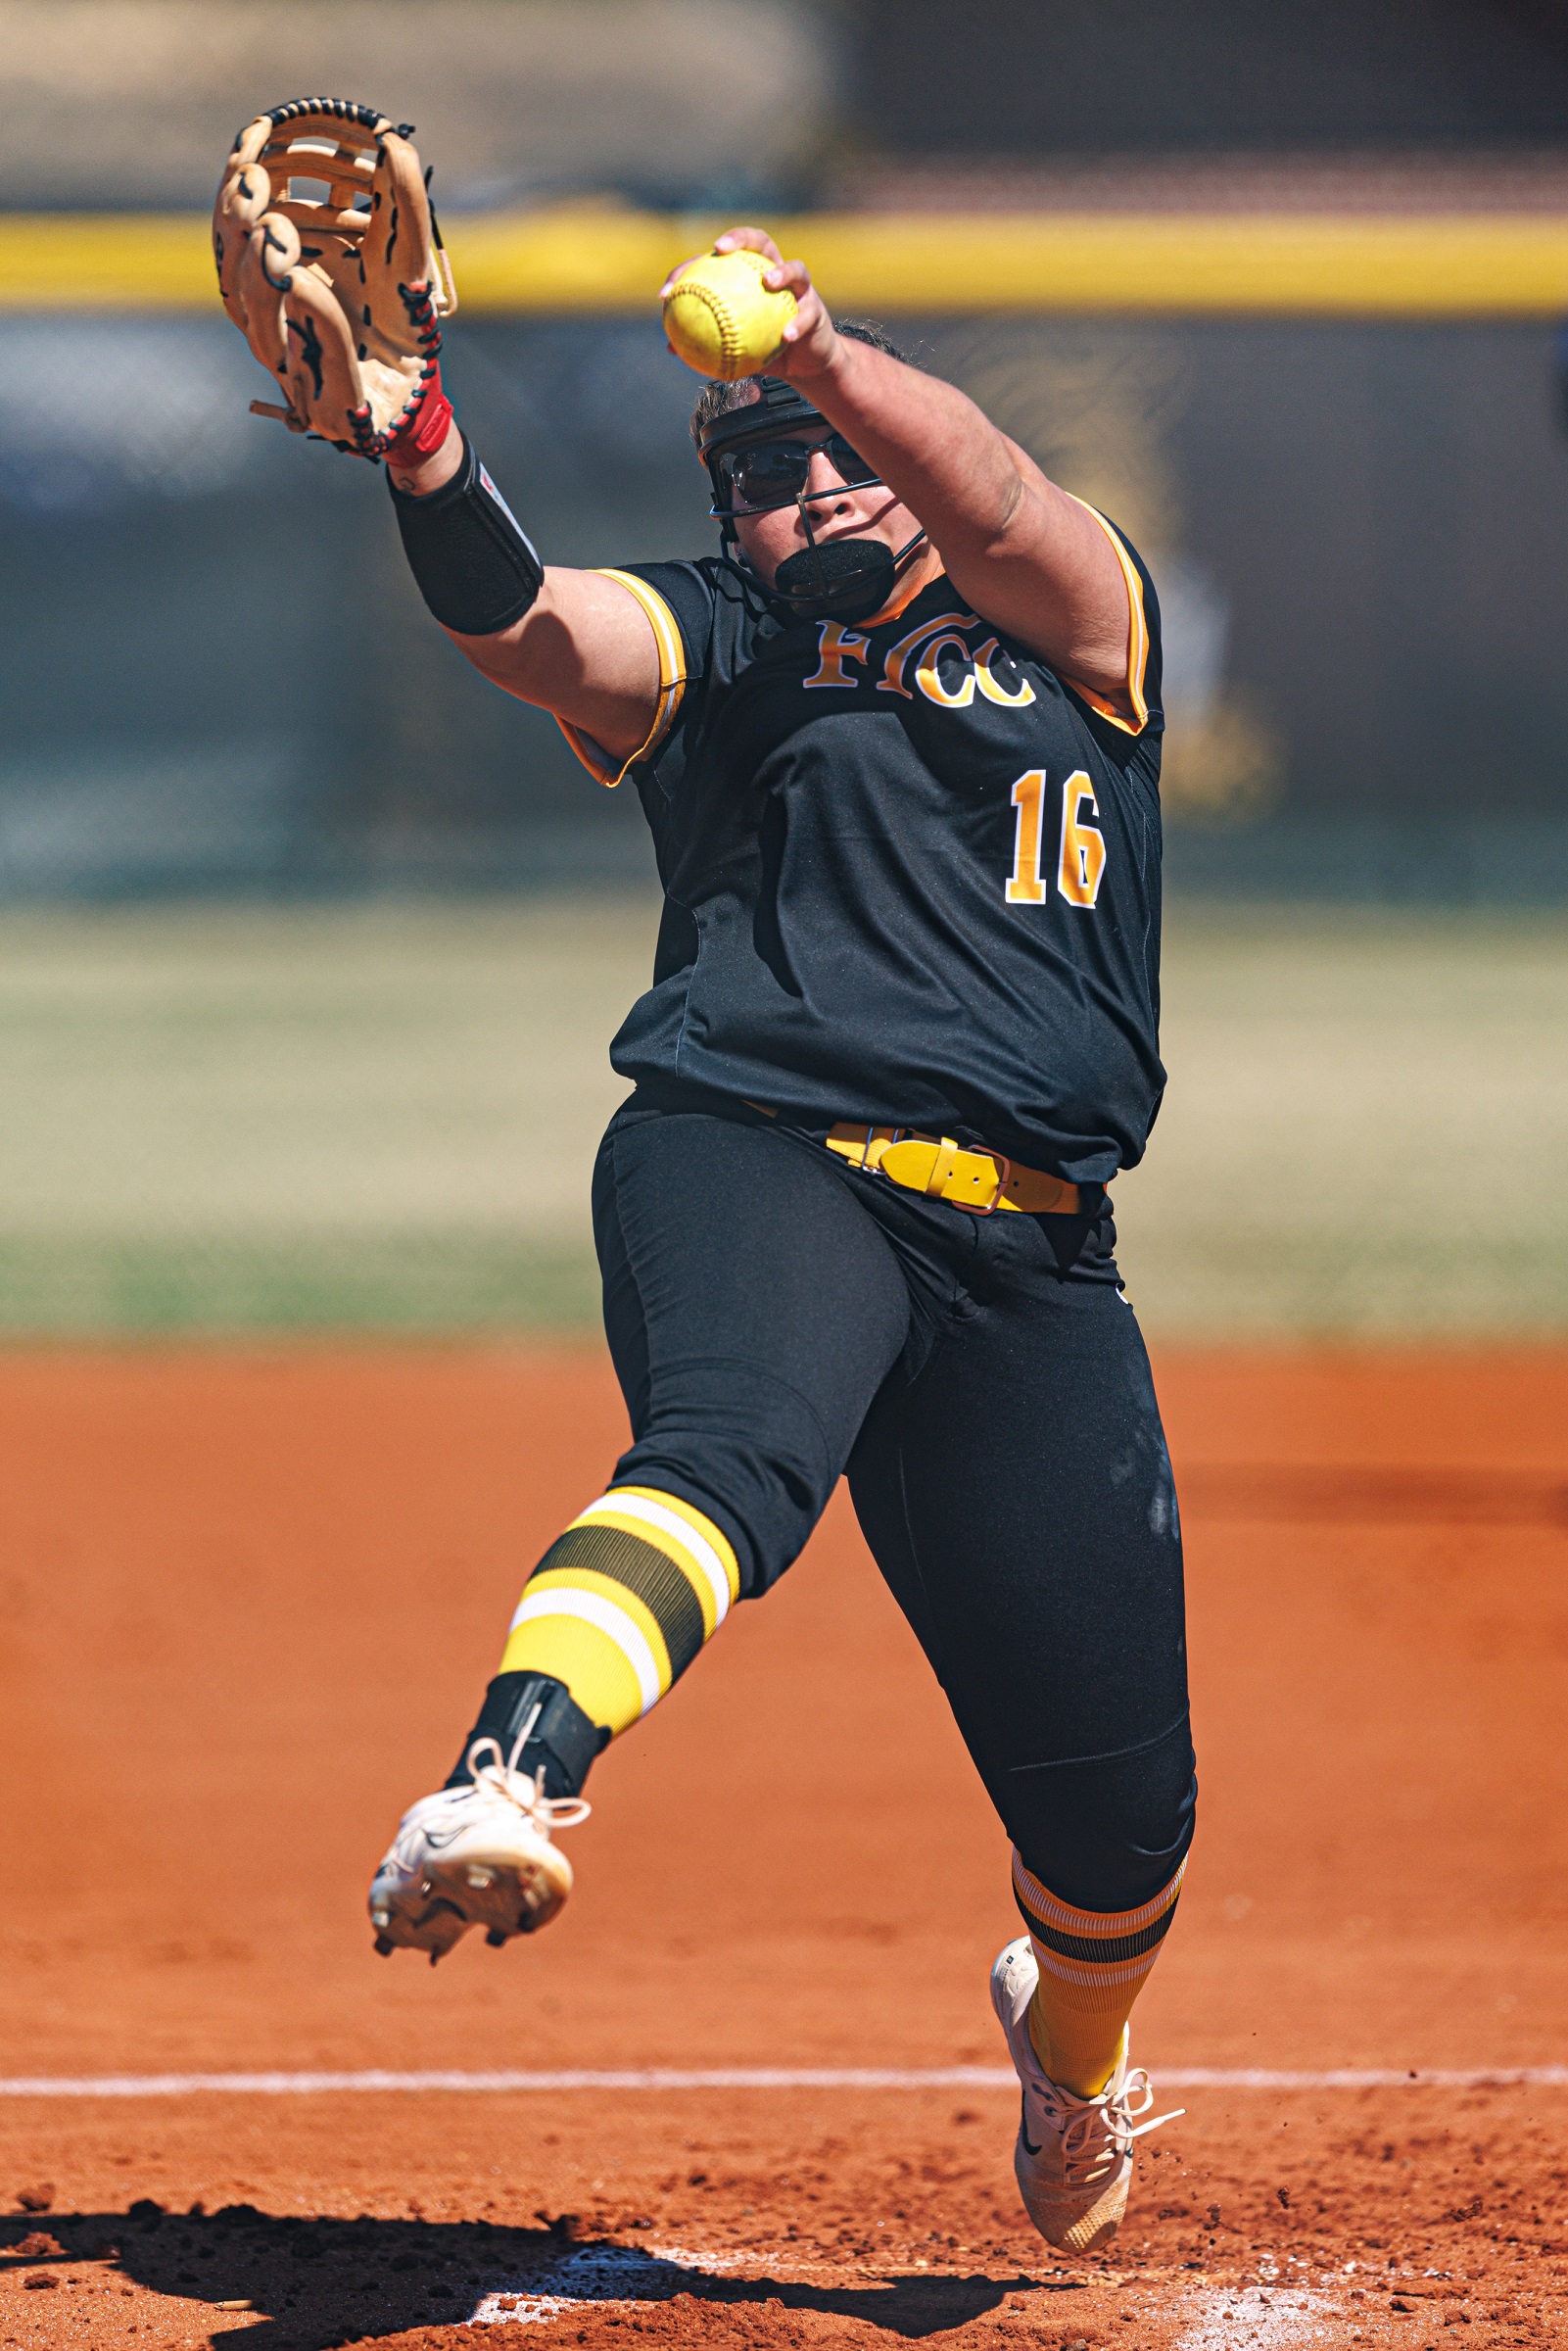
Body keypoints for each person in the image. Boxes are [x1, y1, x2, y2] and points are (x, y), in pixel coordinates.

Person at [364, 226, 1196, 2256]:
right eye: (761, 471)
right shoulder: (724, 645)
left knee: (1120, 1840)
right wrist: (420, 451)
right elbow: (536, 631)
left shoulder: (1079, 631)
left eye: (831, 452)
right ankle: (501, 1782)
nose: (805, 490)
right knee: (726, 1466)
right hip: (757, 1148)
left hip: (1029, 1260)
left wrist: (817, 351)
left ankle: (1073, 2059)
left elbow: (998, 495)